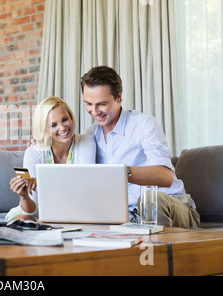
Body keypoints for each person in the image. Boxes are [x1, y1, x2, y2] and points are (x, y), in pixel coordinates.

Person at [81, 66, 200, 228]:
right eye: (88, 104)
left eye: (102, 104)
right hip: (127, 216)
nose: (95, 112)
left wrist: (122, 172)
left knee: (152, 201)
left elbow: (165, 177)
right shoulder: (89, 136)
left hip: (171, 206)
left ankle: (157, 251)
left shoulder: (143, 124)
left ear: (119, 97)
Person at [5, 96, 96, 222]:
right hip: (37, 212)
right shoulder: (34, 151)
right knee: (24, 219)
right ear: (44, 129)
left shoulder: (85, 142)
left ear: (71, 117)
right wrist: (24, 196)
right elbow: (32, 210)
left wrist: (45, 185)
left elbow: (86, 188)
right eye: (53, 125)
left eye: (65, 119)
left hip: (73, 209)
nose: (63, 128)